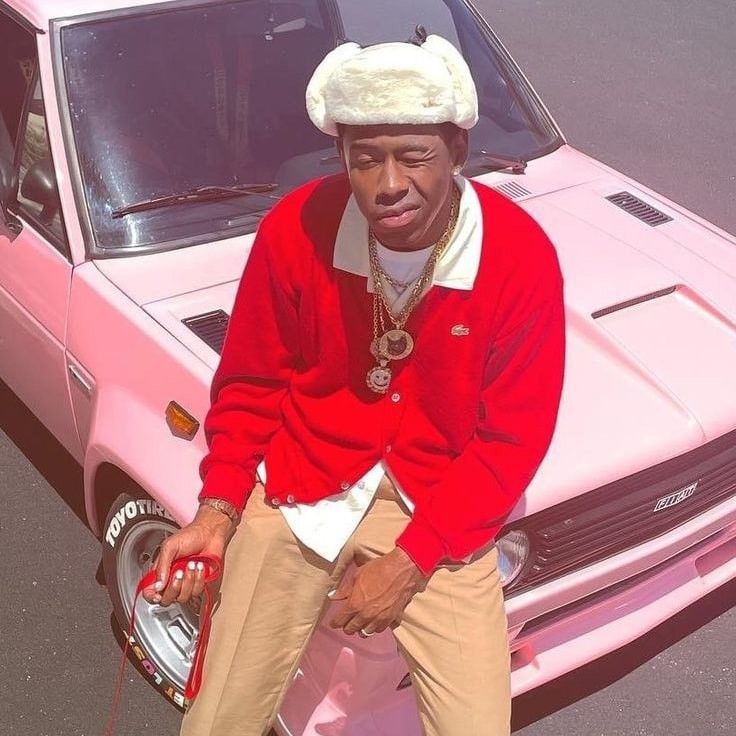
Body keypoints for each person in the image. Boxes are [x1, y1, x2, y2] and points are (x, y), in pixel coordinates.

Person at [142, 33, 566, 736]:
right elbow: (250, 381)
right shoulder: (295, 227)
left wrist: (411, 561)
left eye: (415, 156)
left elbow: (511, 440)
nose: (389, 183)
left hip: (435, 508)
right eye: (365, 159)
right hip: (301, 484)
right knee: (219, 714)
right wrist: (216, 509)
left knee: (478, 725)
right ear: (341, 156)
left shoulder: (519, 257)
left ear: (457, 154)